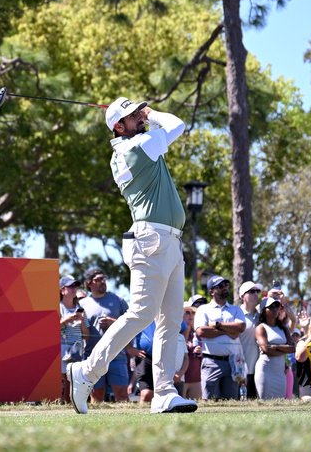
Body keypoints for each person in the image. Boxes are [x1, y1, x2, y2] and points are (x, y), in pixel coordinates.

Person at [66, 99, 197, 414]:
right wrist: (152, 115)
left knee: (170, 319)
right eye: (132, 115)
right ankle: (87, 371)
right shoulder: (137, 146)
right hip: (153, 240)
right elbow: (177, 125)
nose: (140, 116)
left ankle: (164, 392)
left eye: (140, 111)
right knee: (141, 313)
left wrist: (142, 116)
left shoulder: (133, 146)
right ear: (118, 127)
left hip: (167, 241)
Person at [78, 268, 132, 404]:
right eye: (98, 280)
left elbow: (131, 324)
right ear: (89, 284)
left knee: (122, 395)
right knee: (96, 397)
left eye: (104, 279)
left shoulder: (118, 300)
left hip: (116, 356)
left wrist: (113, 323)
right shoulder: (82, 304)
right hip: (93, 356)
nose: (102, 282)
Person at [195, 275, 247, 400]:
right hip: (211, 362)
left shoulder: (236, 309)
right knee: (209, 402)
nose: (225, 288)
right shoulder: (203, 309)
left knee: (231, 403)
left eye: (226, 285)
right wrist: (228, 331)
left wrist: (217, 325)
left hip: (232, 363)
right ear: (211, 291)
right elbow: (201, 331)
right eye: (220, 286)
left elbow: (241, 327)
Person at [254, 297, 294, 398]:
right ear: (264, 311)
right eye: (271, 307)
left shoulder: (283, 328)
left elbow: (293, 348)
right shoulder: (261, 328)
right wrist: (284, 349)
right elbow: (266, 350)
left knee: (279, 405)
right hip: (265, 370)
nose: (275, 309)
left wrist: (277, 346)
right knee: (263, 404)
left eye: (277, 306)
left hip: (280, 373)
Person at [60, 275, 90, 403]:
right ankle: (57, 405)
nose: (74, 288)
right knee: (60, 380)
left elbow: (86, 336)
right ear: (62, 290)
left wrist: (82, 322)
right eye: (70, 286)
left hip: (76, 350)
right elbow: (48, 331)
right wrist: (65, 321)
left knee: (71, 381)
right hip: (59, 349)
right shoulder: (57, 307)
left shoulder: (80, 309)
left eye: (75, 286)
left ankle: (68, 405)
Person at [238, 281, 263, 398]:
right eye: (252, 291)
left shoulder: (262, 316)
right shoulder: (237, 315)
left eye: (257, 291)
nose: (256, 294)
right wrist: (240, 370)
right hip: (242, 371)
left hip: (260, 371)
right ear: (243, 296)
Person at [182, 299, 203, 400]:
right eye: (187, 312)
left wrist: (202, 352)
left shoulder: (198, 333)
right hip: (180, 378)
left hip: (196, 379)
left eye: (193, 313)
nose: (191, 315)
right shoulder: (176, 333)